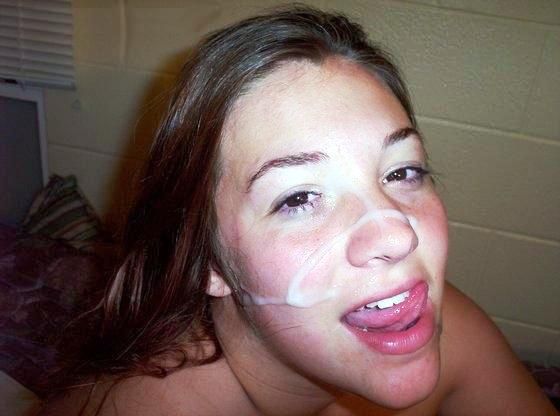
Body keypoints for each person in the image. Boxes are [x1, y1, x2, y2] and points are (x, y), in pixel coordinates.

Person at [40, 6, 557, 416]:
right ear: (208, 262)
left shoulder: (453, 330)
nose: (396, 234)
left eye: (402, 172)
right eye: (298, 198)